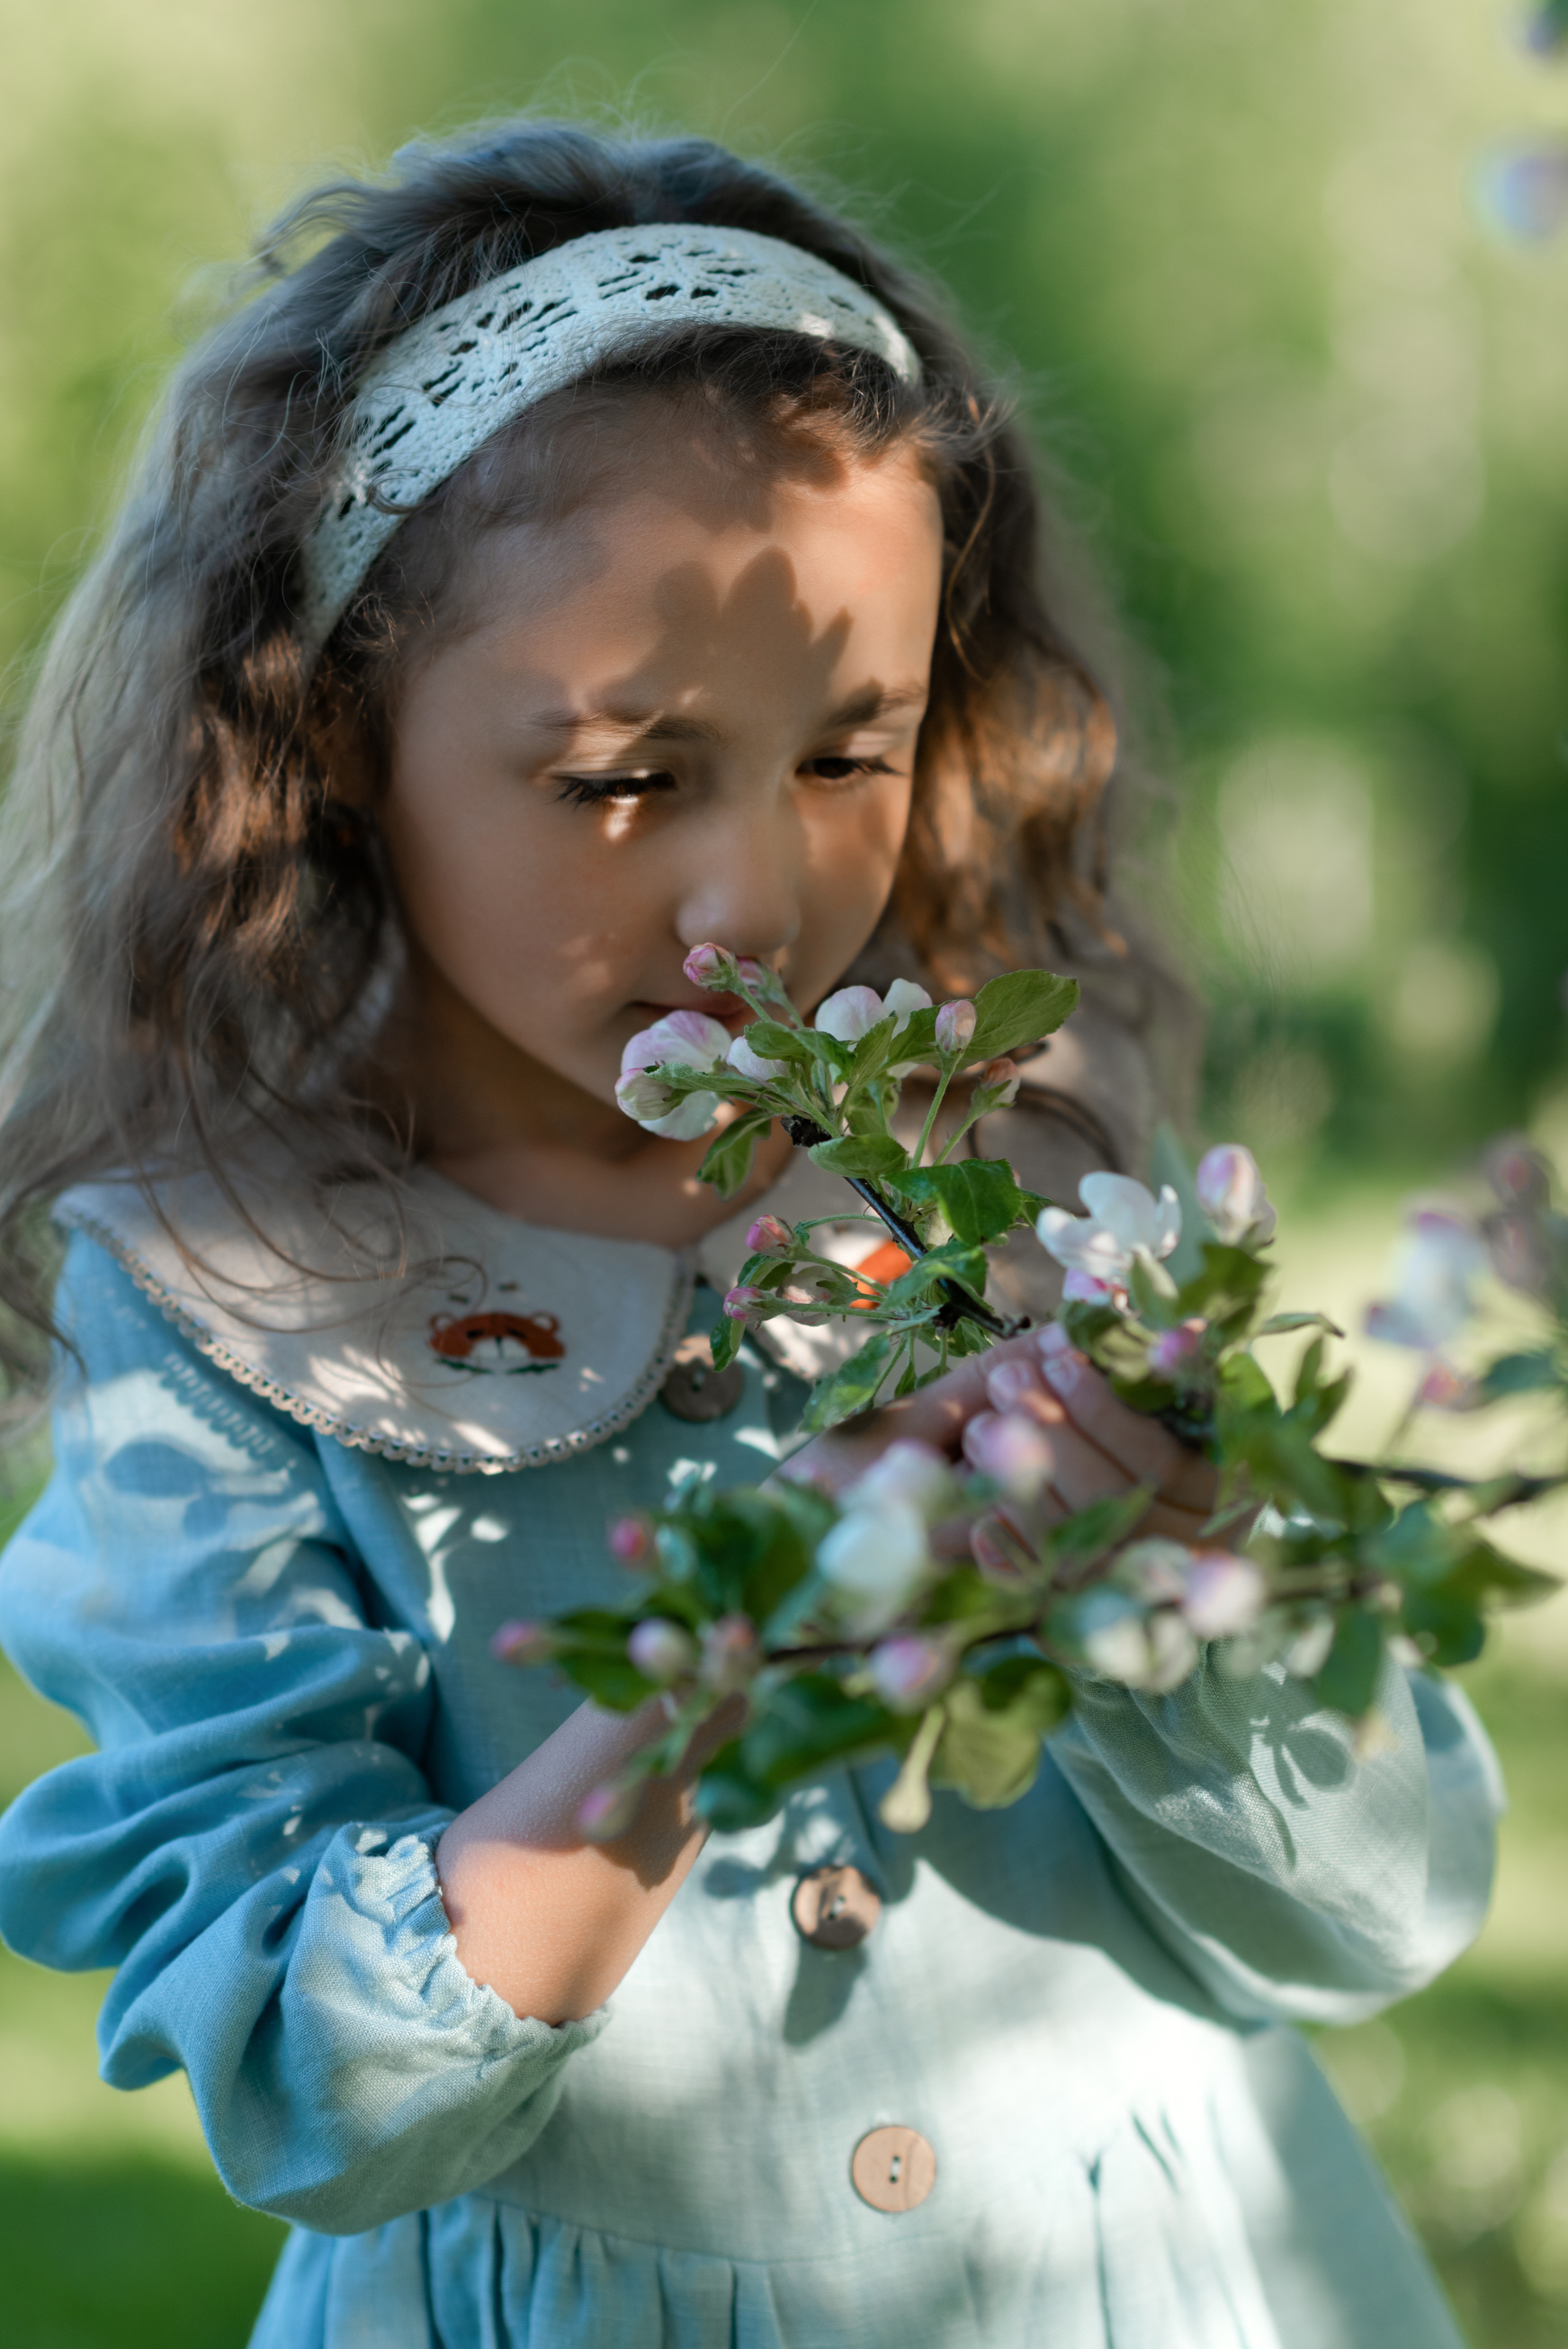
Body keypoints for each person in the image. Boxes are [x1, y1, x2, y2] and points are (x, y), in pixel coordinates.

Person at [0, 118, 1498, 2348]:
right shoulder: (228, 1294)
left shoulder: (1013, 1179)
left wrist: (1184, 1573)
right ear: (328, 741)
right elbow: (323, 2093)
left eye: (846, 754)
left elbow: (1383, 1911)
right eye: (623, 774)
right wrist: (730, 1664)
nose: (754, 899)